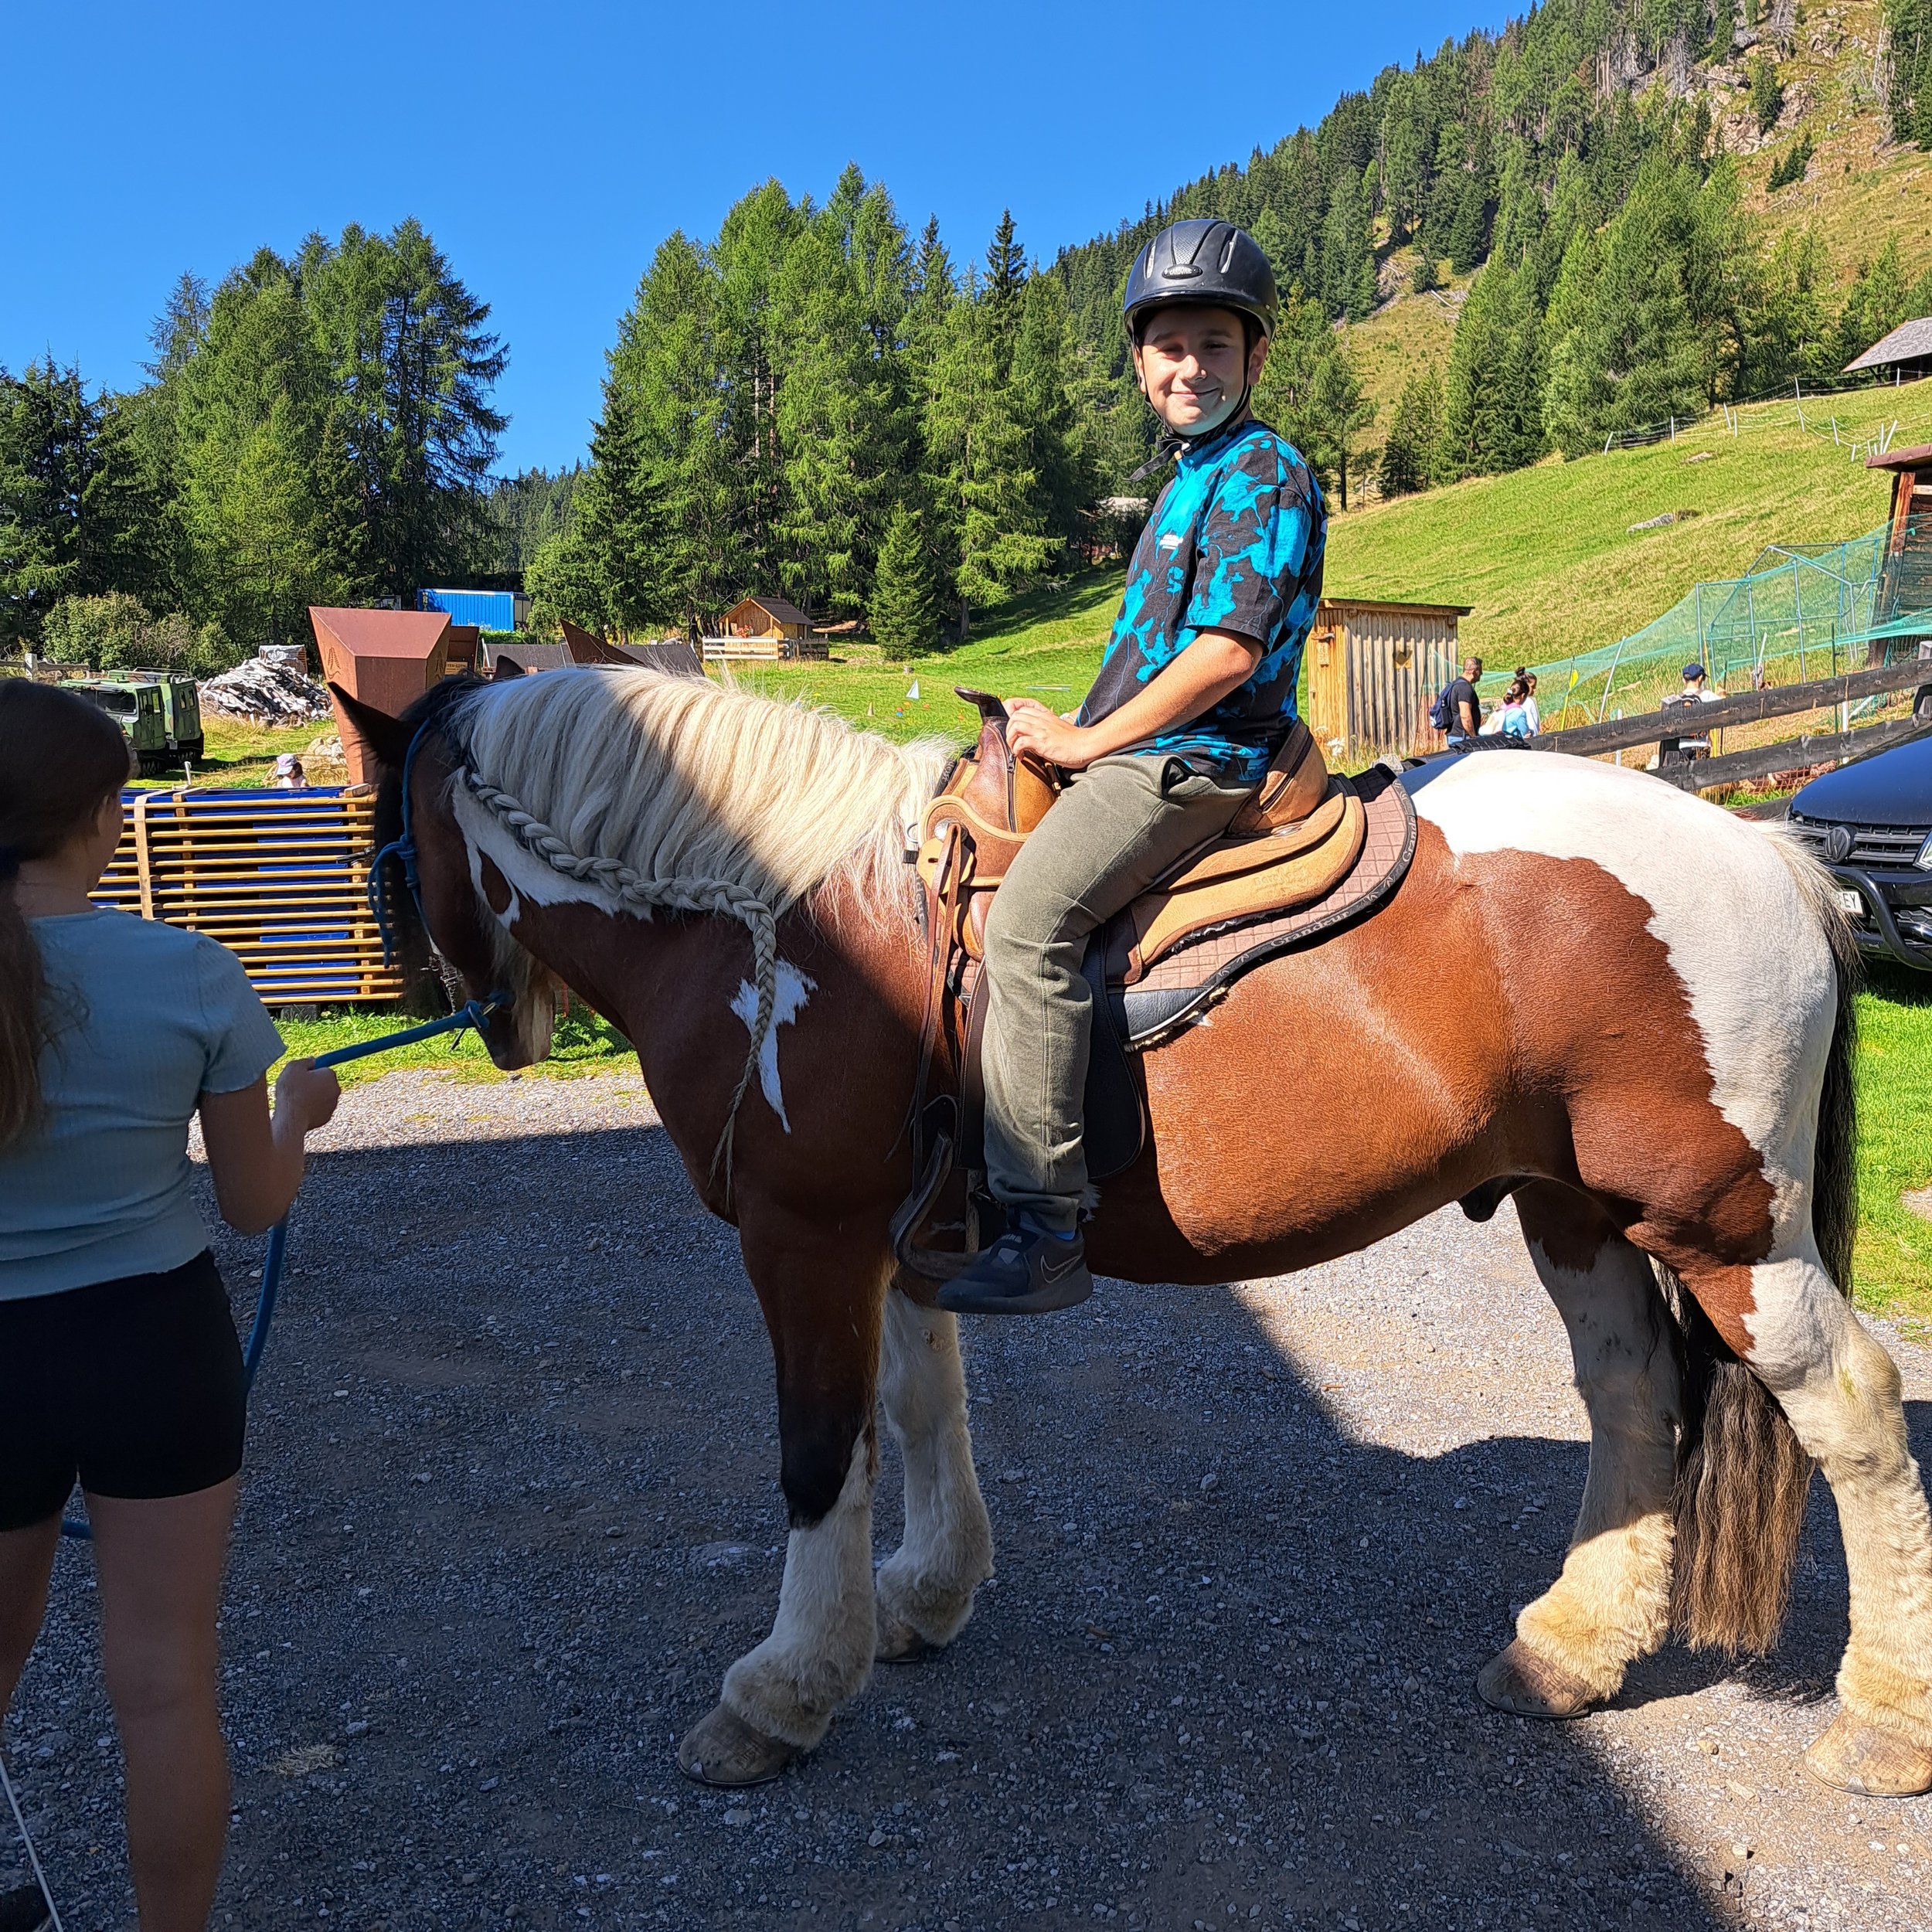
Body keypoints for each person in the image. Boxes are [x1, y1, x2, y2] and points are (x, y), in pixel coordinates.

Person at [937, 217, 1326, 1316]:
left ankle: (1044, 1219)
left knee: (1027, 923)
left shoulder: (1262, 472)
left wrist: (1087, 741)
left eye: (1214, 343)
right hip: (1144, 747)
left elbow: (1224, 653)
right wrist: (1062, 717)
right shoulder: (1192, 477)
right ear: (1141, 363)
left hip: (1201, 761)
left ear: (1256, 356)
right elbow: (1152, 652)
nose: (1190, 366)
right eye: (1170, 347)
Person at [0, 682, 341, 1932]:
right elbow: (253, 1205)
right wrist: (297, 1114)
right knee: (162, 1683)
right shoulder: (185, 971)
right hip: (156, 1346)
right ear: (96, 818)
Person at [1441, 655, 1485, 747]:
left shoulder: (1456, 684)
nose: (1481, 674)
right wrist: (1474, 737)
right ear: (1473, 671)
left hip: (1456, 735)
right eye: (1480, 671)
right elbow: (1465, 716)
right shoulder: (1464, 688)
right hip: (1462, 737)